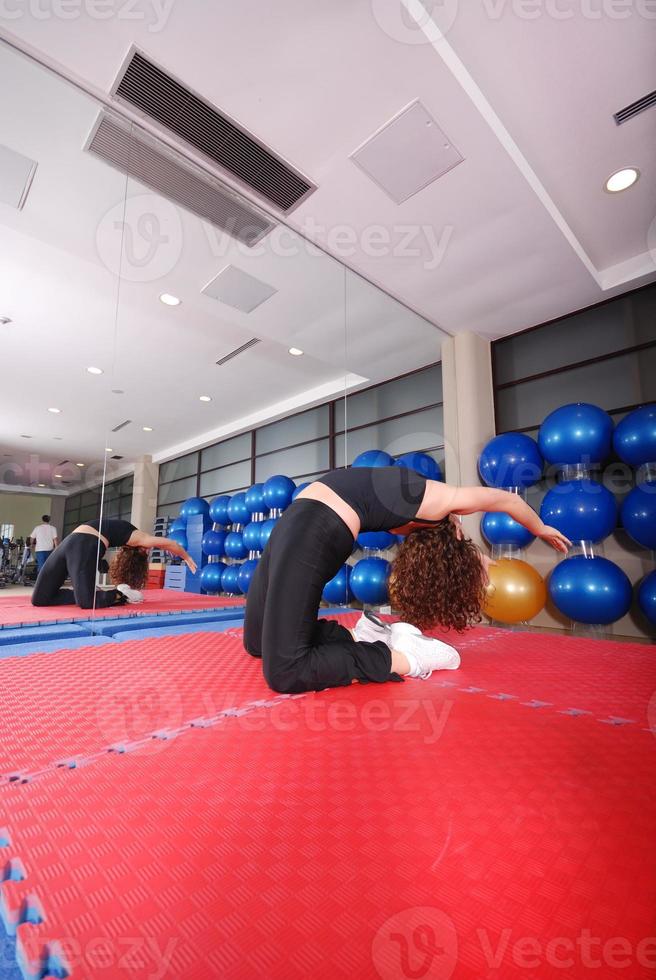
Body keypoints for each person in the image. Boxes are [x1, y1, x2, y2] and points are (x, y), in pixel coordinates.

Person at [244, 465, 571, 694]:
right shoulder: (440, 501)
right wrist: (539, 527)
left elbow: (452, 537)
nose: (402, 537)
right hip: (295, 522)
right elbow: (506, 500)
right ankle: (362, 637)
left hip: (316, 532)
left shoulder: (432, 505)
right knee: (256, 642)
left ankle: (409, 658)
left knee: (285, 672)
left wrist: (474, 555)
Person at [31, 517, 196, 609]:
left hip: (82, 542)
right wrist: (187, 557)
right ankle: (86, 592)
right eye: (147, 551)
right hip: (72, 541)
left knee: (87, 603)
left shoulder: (131, 540)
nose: (148, 549)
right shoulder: (140, 538)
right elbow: (171, 544)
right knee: (39, 599)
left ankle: (121, 595)